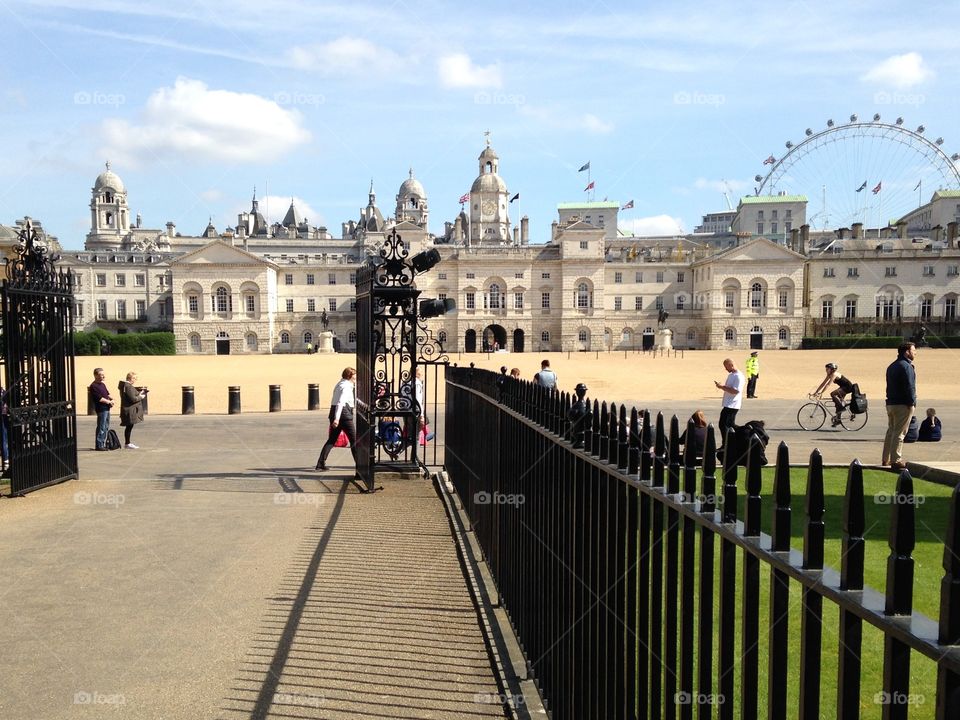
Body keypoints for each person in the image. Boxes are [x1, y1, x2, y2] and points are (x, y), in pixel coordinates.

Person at [316, 367, 358, 471]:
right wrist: (337, 419)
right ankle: (360, 465)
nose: (356, 378)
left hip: (334, 412)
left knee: (332, 440)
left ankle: (320, 464)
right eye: (354, 376)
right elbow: (341, 402)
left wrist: (335, 417)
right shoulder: (346, 387)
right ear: (349, 376)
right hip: (344, 415)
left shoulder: (339, 384)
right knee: (354, 440)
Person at [883, 341, 917, 470]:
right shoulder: (906, 366)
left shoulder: (892, 366)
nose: (915, 353)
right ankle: (896, 460)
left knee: (891, 431)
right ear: (907, 352)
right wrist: (911, 402)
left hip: (891, 403)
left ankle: (885, 458)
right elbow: (910, 386)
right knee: (900, 432)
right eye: (913, 350)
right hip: (903, 404)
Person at [813, 362, 856, 427]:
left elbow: (828, 384)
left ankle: (842, 408)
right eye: (826, 369)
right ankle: (838, 420)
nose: (826, 370)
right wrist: (816, 392)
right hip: (843, 387)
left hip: (848, 387)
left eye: (827, 369)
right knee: (838, 403)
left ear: (832, 369)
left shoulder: (834, 374)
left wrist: (821, 393)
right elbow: (823, 383)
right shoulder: (829, 375)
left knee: (833, 394)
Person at [714, 358, 744, 443]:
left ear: (731, 365)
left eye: (726, 367)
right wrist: (722, 386)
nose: (725, 369)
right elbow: (729, 388)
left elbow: (735, 391)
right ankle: (730, 443)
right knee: (729, 425)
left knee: (724, 425)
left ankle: (727, 444)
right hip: (728, 404)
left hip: (733, 405)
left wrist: (722, 387)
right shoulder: (731, 375)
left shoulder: (738, 376)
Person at [117, 372, 147, 449]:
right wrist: (141, 397)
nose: (135, 380)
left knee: (129, 427)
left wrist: (139, 394)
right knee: (129, 427)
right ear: (131, 378)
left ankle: (127, 443)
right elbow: (133, 399)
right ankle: (127, 443)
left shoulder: (125, 386)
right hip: (130, 409)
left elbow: (130, 396)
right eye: (135, 379)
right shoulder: (128, 386)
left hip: (128, 408)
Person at [88, 367, 114, 450]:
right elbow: (99, 398)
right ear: (96, 375)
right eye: (101, 375)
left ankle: (102, 443)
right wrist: (108, 402)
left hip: (107, 408)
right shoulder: (93, 386)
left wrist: (112, 399)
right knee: (101, 427)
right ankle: (99, 445)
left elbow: (107, 394)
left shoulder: (102, 384)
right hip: (101, 409)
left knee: (106, 426)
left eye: (103, 374)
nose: (103, 376)